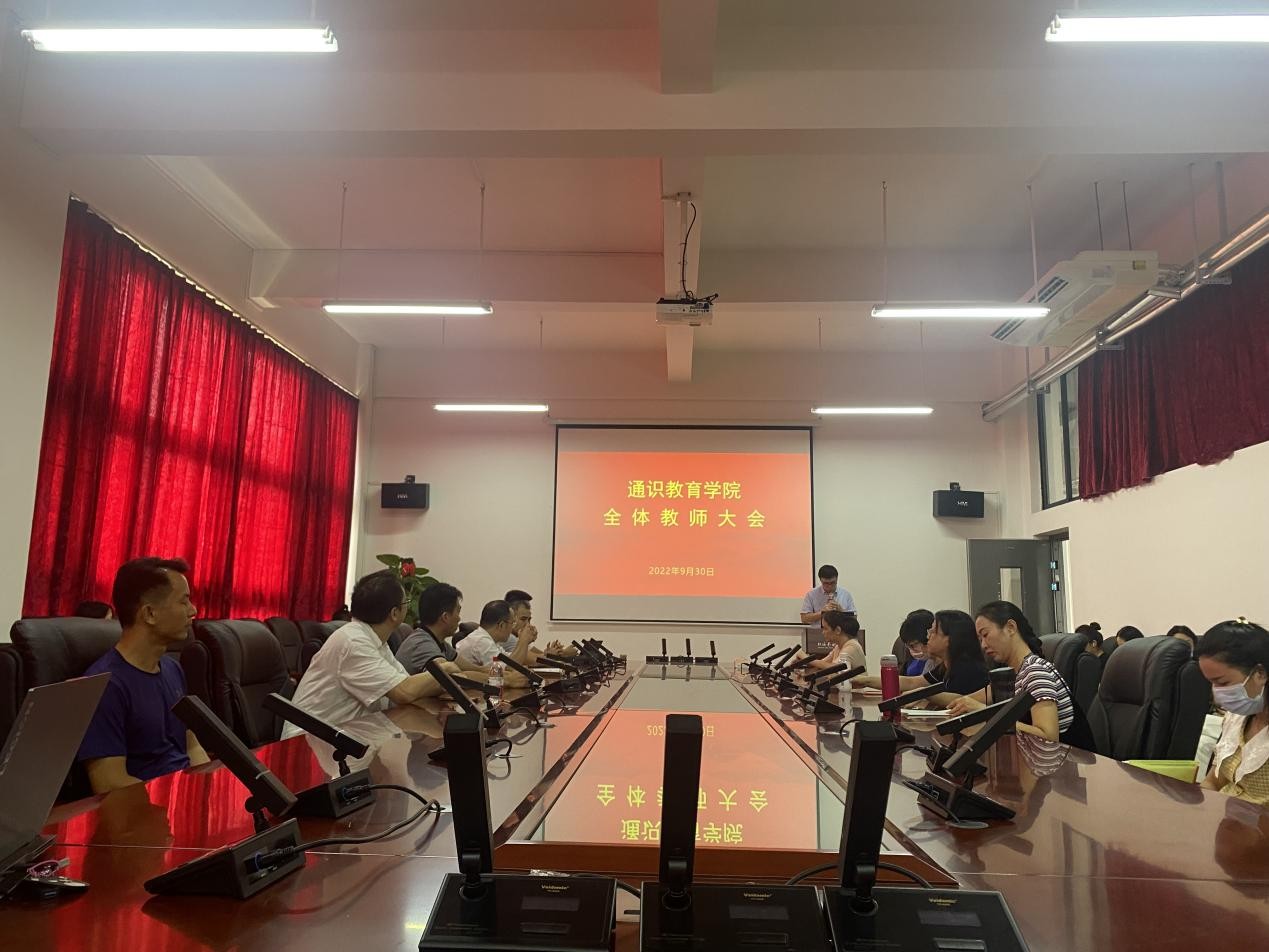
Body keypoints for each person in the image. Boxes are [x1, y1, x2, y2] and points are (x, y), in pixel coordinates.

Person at [77, 558, 209, 794]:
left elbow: (192, 746)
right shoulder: (105, 686)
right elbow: (109, 783)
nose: (193, 611)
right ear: (149, 613)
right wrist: (174, 801)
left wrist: (206, 789)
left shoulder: (173, 669)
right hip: (144, 806)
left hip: (183, 796)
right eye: (184, 601)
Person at [286, 570, 455, 735]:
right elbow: (403, 692)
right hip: (307, 741)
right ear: (394, 613)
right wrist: (444, 670)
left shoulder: (375, 640)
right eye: (406, 602)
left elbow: (407, 685)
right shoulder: (354, 642)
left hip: (347, 734)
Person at [948, 600, 1093, 748]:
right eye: (980, 639)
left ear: (1011, 627)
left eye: (985, 635)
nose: (983, 645)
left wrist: (985, 714)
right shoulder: (1013, 676)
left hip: (1069, 759)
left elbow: (1049, 737)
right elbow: (967, 701)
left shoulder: (1035, 671)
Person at [1196, 619, 1269, 806]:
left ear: (1260, 674)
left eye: (1222, 683)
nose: (1217, 693)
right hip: (1227, 817)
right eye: (1211, 683)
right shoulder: (1237, 718)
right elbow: (1214, 782)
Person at [856, 610, 988, 706]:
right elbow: (912, 682)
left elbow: (961, 700)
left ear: (950, 639)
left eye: (933, 632)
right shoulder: (945, 666)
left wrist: (923, 694)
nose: (928, 636)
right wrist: (864, 681)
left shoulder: (969, 668)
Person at [455, 600, 538, 688]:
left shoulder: (490, 639)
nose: (512, 628)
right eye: (512, 623)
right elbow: (509, 669)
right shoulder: (481, 641)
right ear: (502, 625)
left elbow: (508, 660)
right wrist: (524, 640)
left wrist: (523, 642)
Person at [395, 582, 463, 675]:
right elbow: (449, 676)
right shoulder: (422, 644)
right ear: (445, 617)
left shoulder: (438, 641)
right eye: (458, 612)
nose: (459, 618)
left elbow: (471, 668)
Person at [802, 610, 866, 677]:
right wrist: (803, 667)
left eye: (825, 628)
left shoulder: (852, 646)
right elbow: (823, 663)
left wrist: (805, 657)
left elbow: (837, 668)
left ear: (838, 630)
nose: (823, 632)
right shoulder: (838, 647)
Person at [800, 564, 856, 634]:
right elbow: (804, 618)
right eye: (826, 583)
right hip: (818, 634)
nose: (829, 586)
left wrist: (841, 612)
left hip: (841, 634)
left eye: (832, 583)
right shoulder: (811, 595)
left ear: (837, 579)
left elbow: (854, 619)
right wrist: (822, 613)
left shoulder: (846, 594)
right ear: (820, 580)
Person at [899, 611, 933, 676]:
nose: (912, 650)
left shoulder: (938, 662)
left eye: (913, 645)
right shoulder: (910, 660)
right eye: (908, 646)